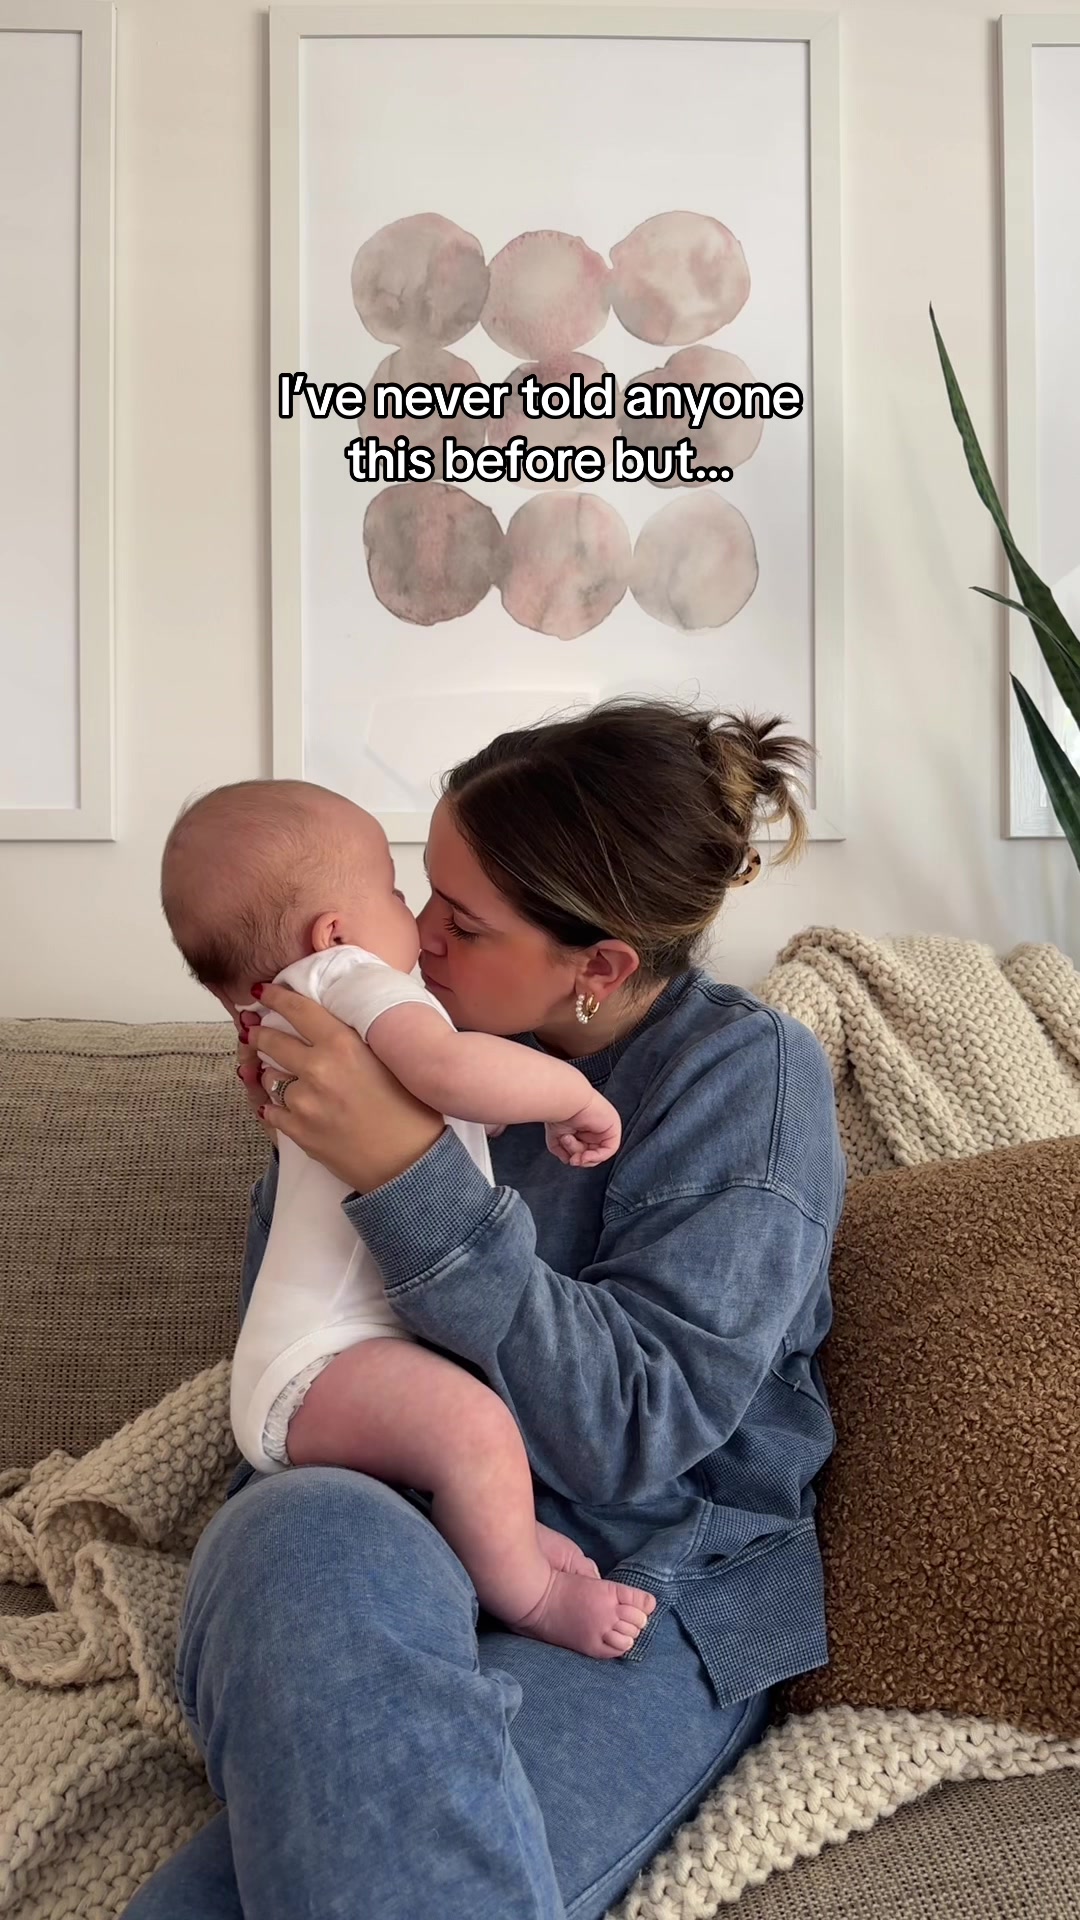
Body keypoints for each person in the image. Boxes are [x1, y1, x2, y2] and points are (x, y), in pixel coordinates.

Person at [126, 699, 846, 1920]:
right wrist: (313, 1156)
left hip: (641, 1575)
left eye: (461, 924)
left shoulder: (745, 1079)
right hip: (366, 1534)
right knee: (296, 1530)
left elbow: (635, 1432)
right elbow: (313, 1356)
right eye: (422, 892)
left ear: (598, 967)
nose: (416, 936)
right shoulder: (398, 1031)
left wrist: (407, 1172)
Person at [160, 780, 652, 1659]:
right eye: (397, 890)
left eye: (453, 915)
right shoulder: (344, 979)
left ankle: (501, 1535)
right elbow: (450, 1073)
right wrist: (570, 1093)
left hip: (311, 1359)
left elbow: (436, 1107)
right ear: (332, 933)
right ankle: (533, 1595)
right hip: (323, 1359)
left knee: (463, 1435)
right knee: (474, 1428)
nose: (420, 926)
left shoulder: (304, 1013)